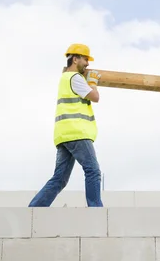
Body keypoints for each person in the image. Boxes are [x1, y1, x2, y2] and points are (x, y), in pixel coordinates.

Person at [29, 43, 104, 207]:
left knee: (60, 178)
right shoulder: (75, 78)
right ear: (75, 59)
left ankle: (34, 208)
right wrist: (92, 82)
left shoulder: (65, 78)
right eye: (85, 59)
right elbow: (95, 96)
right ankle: (96, 209)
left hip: (65, 135)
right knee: (93, 171)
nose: (88, 64)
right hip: (77, 132)